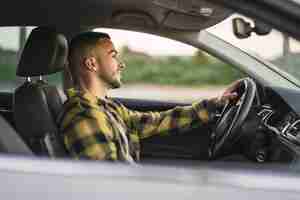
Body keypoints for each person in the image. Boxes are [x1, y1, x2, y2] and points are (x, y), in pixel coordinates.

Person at [58, 32, 240, 163]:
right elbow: (108, 183)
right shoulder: (84, 115)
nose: (121, 64)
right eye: (113, 56)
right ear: (91, 63)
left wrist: (214, 104)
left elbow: (154, 121)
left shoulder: (106, 107)